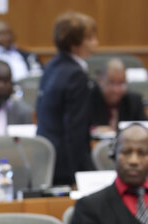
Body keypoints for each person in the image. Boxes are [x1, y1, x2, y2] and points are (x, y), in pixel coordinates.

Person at [36, 11, 98, 185]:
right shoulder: (76, 74)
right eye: (90, 38)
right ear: (74, 44)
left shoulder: (51, 66)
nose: (96, 43)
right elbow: (75, 127)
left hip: (47, 156)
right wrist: (80, 171)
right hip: (67, 163)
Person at [89, 58, 148, 136]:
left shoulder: (134, 101)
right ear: (100, 80)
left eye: (121, 83)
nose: (116, 89)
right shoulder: (88, 99)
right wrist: (94, 130)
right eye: (111, 83)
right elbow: (78, 127)